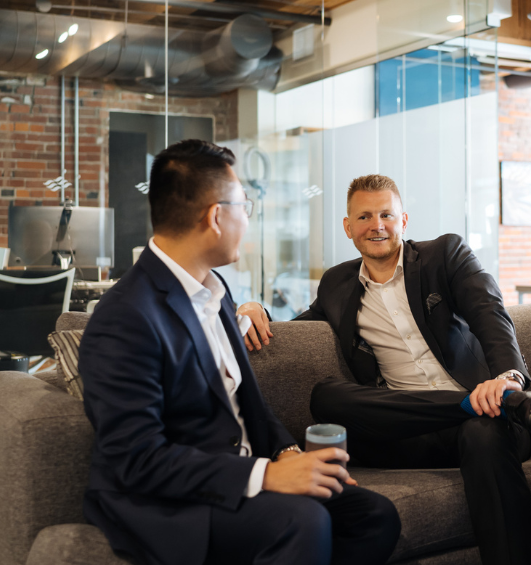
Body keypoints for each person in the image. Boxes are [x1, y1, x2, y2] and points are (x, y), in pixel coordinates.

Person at [79, 140, 400, 565]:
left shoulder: (216, 290)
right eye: (244, 206)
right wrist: (266, 475)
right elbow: (137, 460)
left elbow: (245, 401)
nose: (247, 220)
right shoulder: (125, 316)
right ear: (216, 216)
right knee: (302, 520)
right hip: (170, 502)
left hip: (239, 480)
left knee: (374, 515)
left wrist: (287, 454)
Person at [238, 174, 531, 565]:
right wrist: (255, 310)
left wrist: (507, 379)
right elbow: (297, 328)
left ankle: (493, 405)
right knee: (326, 397)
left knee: (482, 427)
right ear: (349, 227)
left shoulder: (445, 255)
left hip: (490, 420)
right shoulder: (337, 284)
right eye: (365, 216)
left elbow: (490, 312)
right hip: (411, 432)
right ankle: (465, 405)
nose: (377, 224)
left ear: (403, 221)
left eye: (386, 213)